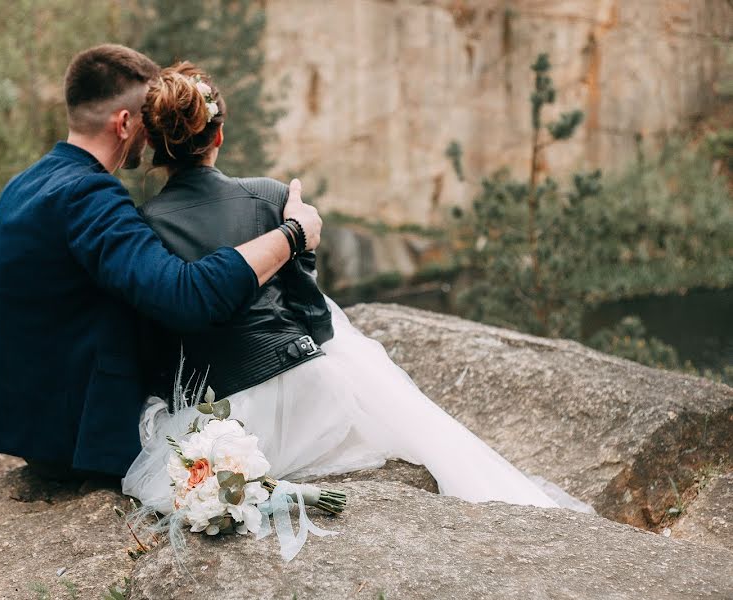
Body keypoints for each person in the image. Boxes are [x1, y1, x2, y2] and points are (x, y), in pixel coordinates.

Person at [122, 62, 590, 513]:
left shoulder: (143, 226)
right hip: (307, 394)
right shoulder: (271, 195)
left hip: (224, 421)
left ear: (157, 146)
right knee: (359, 367)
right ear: (218, 134)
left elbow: (162, 339)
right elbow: (314, 317)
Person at [0, 45, 323, 480]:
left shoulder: (23, 185)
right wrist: (292, 236)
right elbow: (187, 296)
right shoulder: (88, 196)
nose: (157, 129)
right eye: (148, 115)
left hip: (34, 430)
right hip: (80, 442)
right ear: (124, 123)